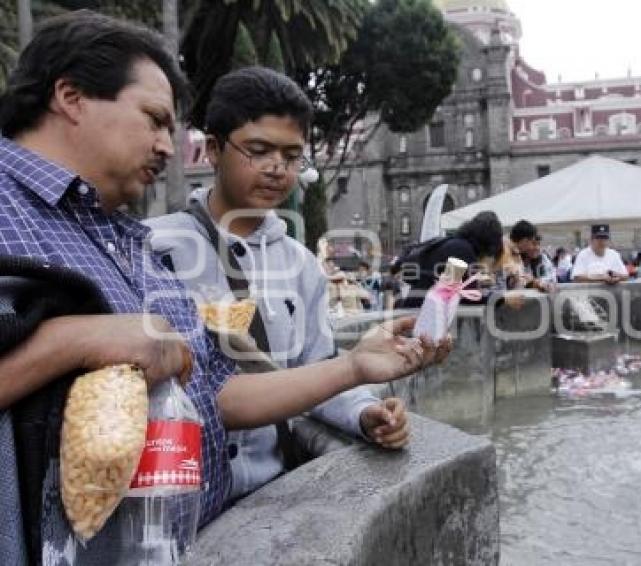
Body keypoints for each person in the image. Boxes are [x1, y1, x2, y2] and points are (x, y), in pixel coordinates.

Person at [0, 12, 447, 560]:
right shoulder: (47, 218)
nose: (167, 146)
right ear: (70, 96)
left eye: (291, 156)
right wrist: (76, 341)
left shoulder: (124, 240)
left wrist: (355, 369)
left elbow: (216, 395)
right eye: (155, 119)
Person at [146, 67, 417, 501]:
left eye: (292, 157)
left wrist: (366, 412)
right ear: (214, 149)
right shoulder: (156, 247)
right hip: (181, 497)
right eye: (258, 151)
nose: (277, 169)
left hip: (269, 493)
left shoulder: (301, 265)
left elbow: (317, 369)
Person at [396, 210, 503, 309]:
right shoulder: (462, 250)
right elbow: (469, 296)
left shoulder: (455, 245)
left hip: (418, 309)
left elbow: (454, 288)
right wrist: (501, 298)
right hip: (423, 315)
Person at [509, 220, 557, 291]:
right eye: (533, 243)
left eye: (539, 244)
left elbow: (552, 279)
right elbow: (517, 280)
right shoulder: (509, 254)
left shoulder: (543, 259)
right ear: (524, 240)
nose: (537, 248)